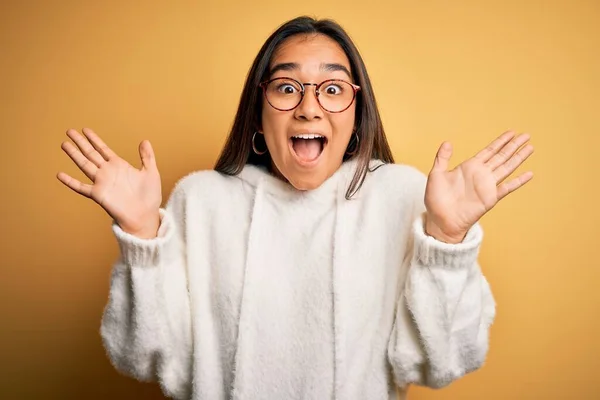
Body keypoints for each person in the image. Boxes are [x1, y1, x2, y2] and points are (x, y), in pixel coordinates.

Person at [56, 16, 534, 400]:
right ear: (259, 117)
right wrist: (142, 236)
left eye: (332, 88)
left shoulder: (402, 198)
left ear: (355, 115)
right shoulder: (202, 202)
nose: (309, 107)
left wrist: (447, 241)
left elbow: (443, 362)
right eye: (287, 87)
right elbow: (141, 359)